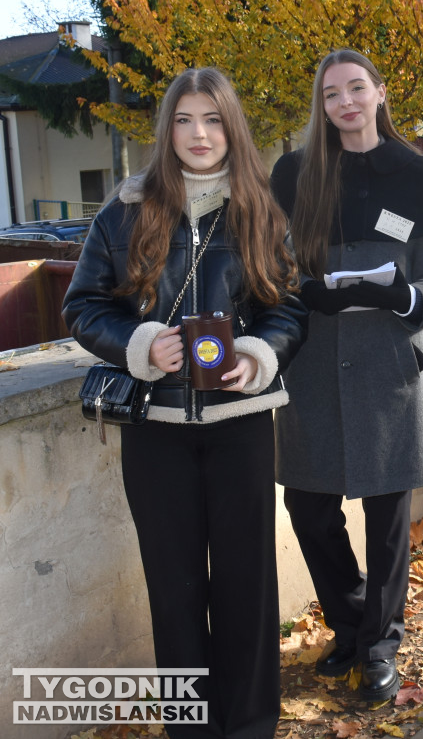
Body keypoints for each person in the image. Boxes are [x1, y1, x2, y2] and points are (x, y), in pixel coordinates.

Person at [62, 67, 307, 739]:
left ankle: (250, 725)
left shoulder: (260, 209)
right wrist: (140, 342)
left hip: (242, 428)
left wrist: (259, 354)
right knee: (174, 591)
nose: (200, 134)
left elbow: (289, 306)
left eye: (213, 119)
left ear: (232, 127)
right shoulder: (125, 210)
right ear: (167, 129)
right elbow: (83, 306)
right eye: (184, 120)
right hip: (156, 431)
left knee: (247, 587)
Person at [270, 48, 423, 702]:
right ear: (322, 106)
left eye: (356, 88)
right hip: (312, 368)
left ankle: (380, 646)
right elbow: (272, 266)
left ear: (379, 92)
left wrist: (402, 296)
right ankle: (349, 625)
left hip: (388, 368)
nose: (345, 102)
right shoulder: (294, 174)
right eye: (332, 94)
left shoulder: (418, 175)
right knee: (307, 506)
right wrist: (296, 291)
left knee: (386, 519)